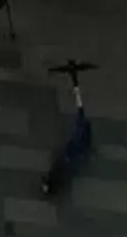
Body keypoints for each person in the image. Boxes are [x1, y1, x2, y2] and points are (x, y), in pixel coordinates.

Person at [40, 58, 98, 198]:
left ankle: (51, 184)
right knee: (80, 119)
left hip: (74, 150)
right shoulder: (80, 142)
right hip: (74, 150)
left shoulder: (79, 143)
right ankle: (51, 184)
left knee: (80, 119)